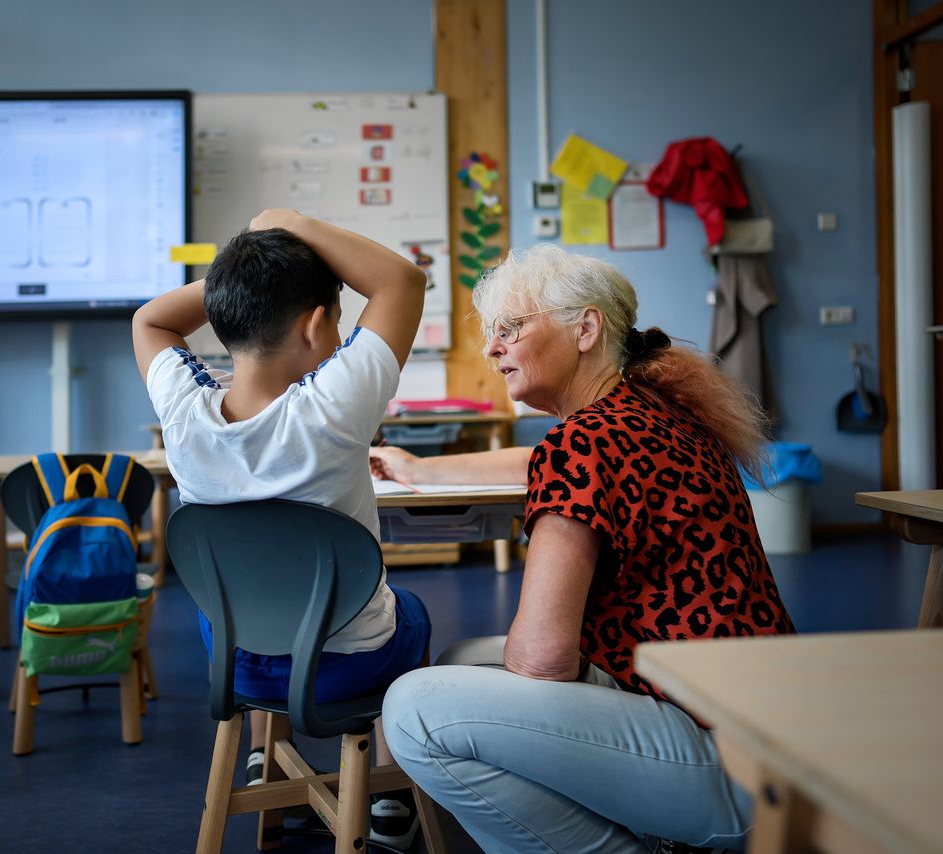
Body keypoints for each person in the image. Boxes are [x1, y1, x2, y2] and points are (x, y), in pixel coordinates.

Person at [373, 243, 794, 854]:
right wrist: (422, 468)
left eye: (509, 328)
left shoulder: (585, 444)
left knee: (414, 707)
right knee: (466, 659)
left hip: (728, 769)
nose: (493, 349)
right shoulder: (656, 413)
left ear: (586, 328)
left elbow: (542, 658)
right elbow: (539, 459)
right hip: (775, 741)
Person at [132, 209, 431, 848]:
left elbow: (150, 320)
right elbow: (401, 282)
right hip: (349, 669)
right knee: (410, 613)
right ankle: (390, 796)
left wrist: (241, 276)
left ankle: (265, 756)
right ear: (318, 325)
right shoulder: (335, 410)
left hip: (237, 667)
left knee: (266, 603)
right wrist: (287, 222)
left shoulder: (183, 418)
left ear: (228, 319)